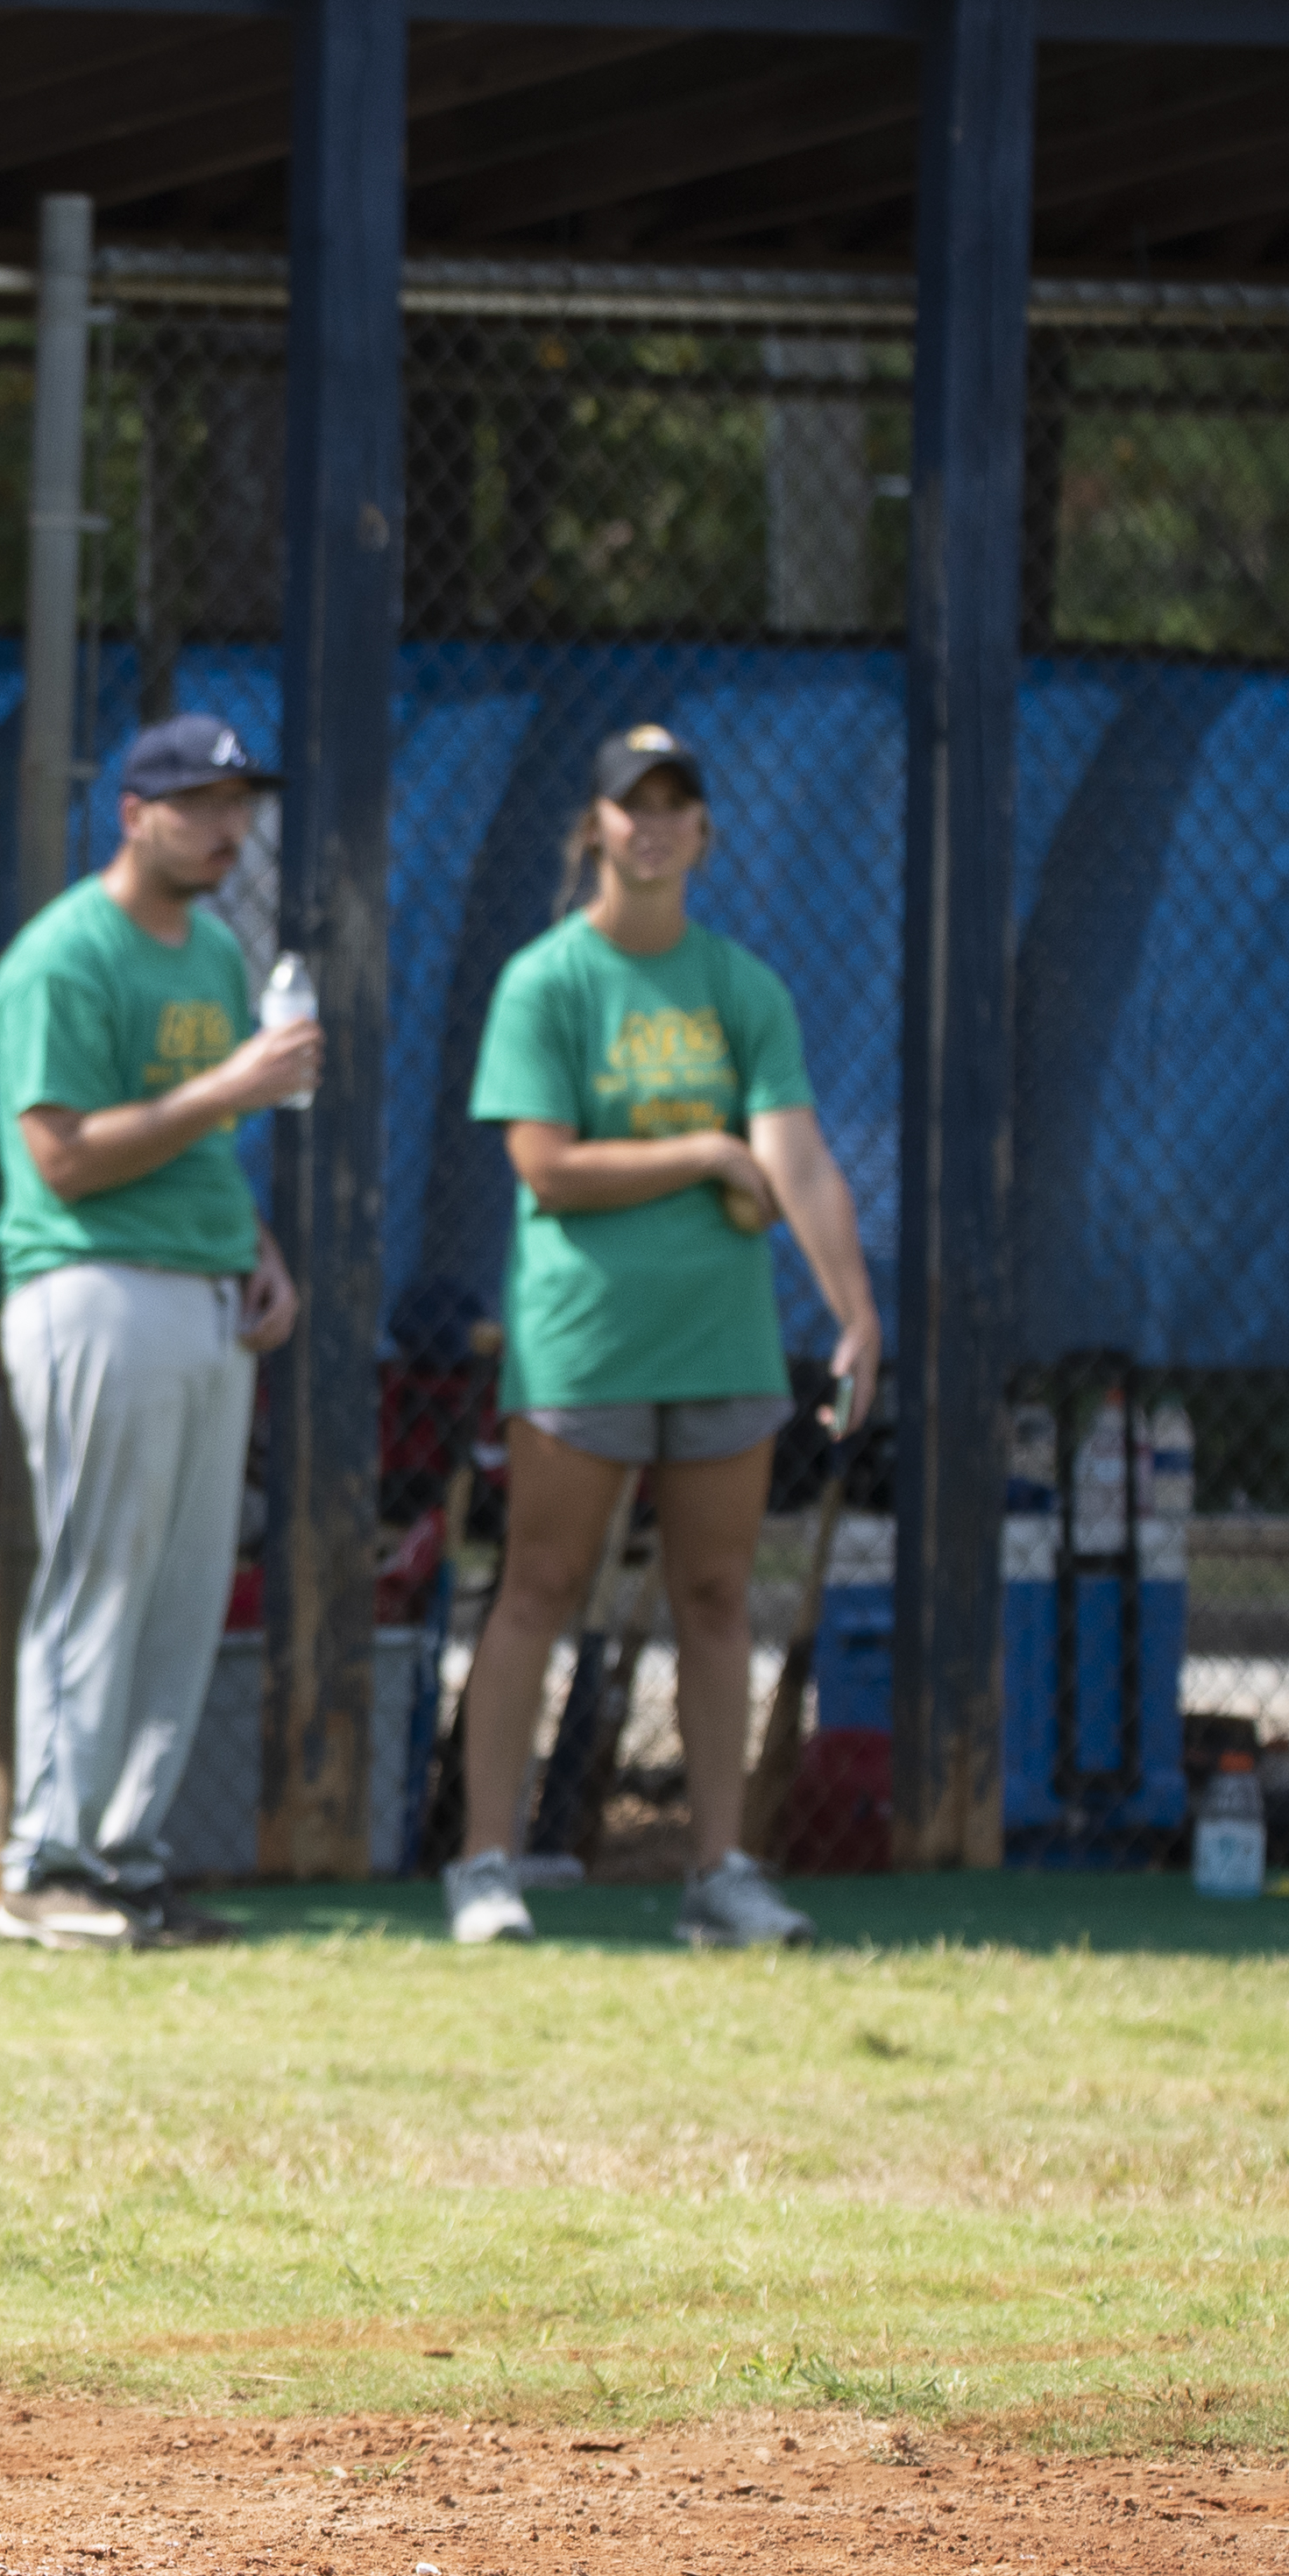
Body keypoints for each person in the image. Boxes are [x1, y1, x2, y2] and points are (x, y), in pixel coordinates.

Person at [439, 727, 880, 1950]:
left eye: (675, 802)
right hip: (579, 1340)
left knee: (714, 1594)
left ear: (702, 832)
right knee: (537, 1585)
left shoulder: (739, 986)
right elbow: (544, 1164)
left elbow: (791, 1150)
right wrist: (700, 1152)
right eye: (631, 803)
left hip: (721, 1341)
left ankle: (717, 1874)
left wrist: (850, 1302)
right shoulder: (545, 980)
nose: (652, 822)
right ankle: (481, 1861)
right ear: (594, 824)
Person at [0, 713, 313, 1952]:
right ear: (132, 813)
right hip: (90, 1284)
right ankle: (42, 1861)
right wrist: (230, 1085)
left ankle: (124, 1858)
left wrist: (260, 1251)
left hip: (200, 1288)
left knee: (182, 1590)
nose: (226, 825)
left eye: (239, 802)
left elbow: (200, 1145)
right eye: (199, 801)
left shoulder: (216, 955)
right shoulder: (64, 952)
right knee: (96, 1576)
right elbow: (57, 1157)